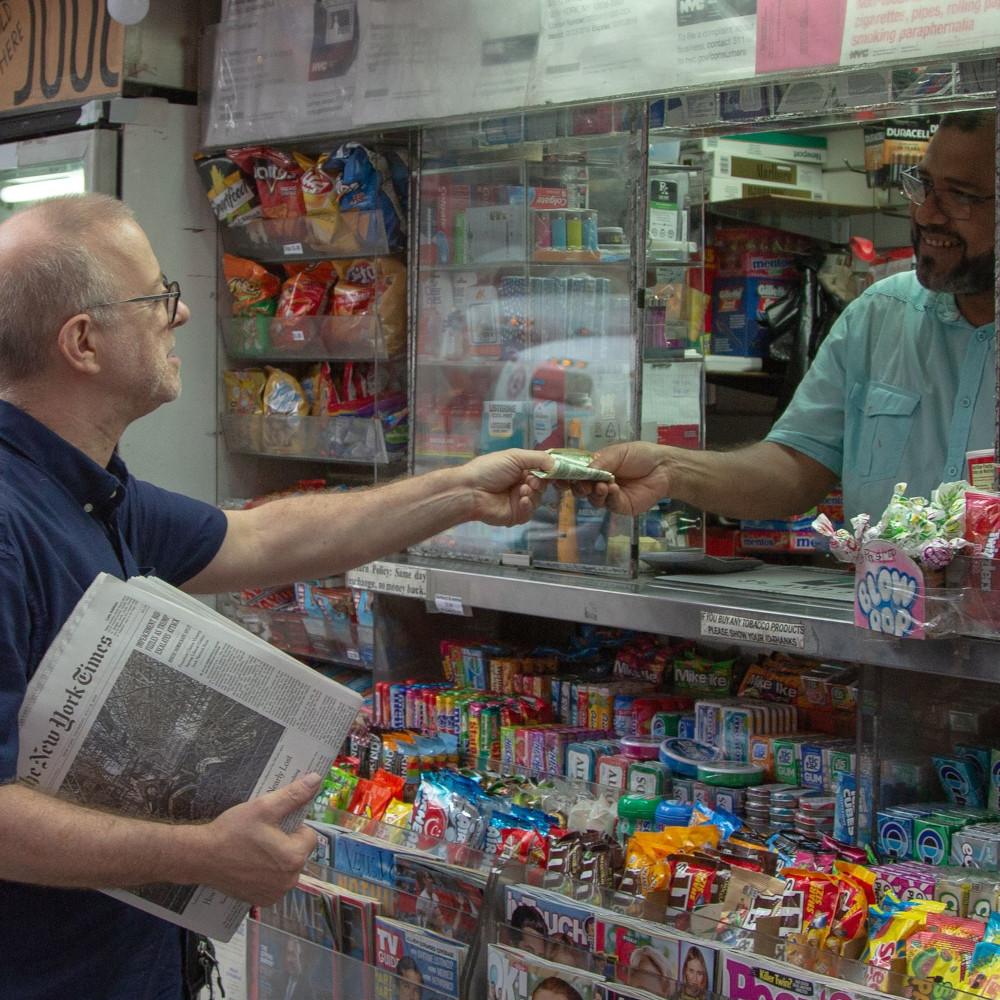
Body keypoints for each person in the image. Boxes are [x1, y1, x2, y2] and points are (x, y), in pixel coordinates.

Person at [0, 193, 554, 1000]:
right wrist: (200, 853)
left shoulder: (87, 490)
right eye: (157, 296)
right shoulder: (9, 519)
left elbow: (261, 539)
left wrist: (463, 492)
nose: (182, 313)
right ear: (82, 342)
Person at [575, 111, 997, 527]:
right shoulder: (882, 314)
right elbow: (795, 467)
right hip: (885, 577)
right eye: (923, 186)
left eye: (959, 196)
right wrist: (669, 469)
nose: (926, 214)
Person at [272, 936, 315, 1000]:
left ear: (301, 957)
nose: (289, 959)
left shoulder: (307, 988)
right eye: (288, 953)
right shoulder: (279, 980)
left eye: (293, 954)